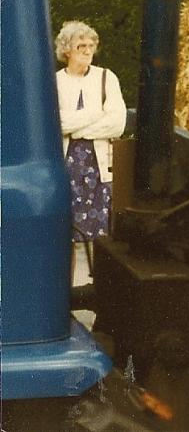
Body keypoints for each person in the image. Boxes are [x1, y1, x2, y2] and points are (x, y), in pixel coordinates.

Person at [55, 21, 127, 256]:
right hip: (67, 168)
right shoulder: (55, 82)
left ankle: (100, 289)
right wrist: (95, 114)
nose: (88, 51)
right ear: (67, 50)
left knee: (102, 237)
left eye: (91, 45)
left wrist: (76, 129)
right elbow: (57, 123)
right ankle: (67, 291)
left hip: (99, 170)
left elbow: (117, 124)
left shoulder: (107, 78)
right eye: (81, 46)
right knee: (66, 237)